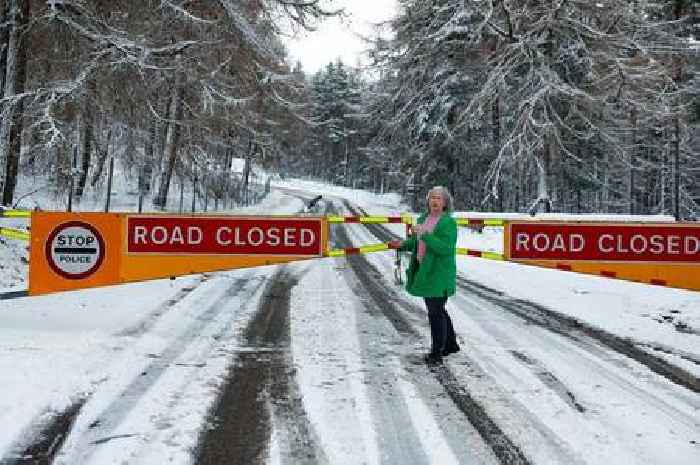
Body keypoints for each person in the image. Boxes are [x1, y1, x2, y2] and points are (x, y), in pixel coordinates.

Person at [390, 186, 459, 365]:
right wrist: (403, 244)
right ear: (428, 201)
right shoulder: (423, 219)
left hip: (439, 273)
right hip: (424, 271)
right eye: (432, 198)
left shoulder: (448, 223)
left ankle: (436, 354)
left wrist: (425, 235)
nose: (435, 201)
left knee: (435, 311)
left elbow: (445, 248)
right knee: (438, 309)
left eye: (439, 198)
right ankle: (450, 344)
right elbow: (417, 240)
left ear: (445, 203)